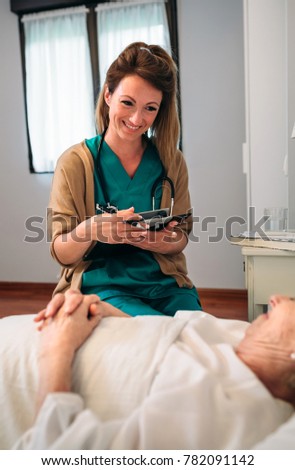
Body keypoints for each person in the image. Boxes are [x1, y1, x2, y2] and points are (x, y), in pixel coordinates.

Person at [13, 290, 295, 450]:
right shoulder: (238, 332)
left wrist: (57, 347)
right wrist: (108, 313)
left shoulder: (226, 416)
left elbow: (54, 453)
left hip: (40, 352)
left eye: (293, 303)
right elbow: (172, 328)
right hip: (82, 316)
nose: (276, 298)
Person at [48, 41, 202, 317]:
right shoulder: (74, 163)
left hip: (165, 285)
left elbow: (182, 235)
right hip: (103, 286)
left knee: (196, 327)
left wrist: (161, 242)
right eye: (127, 103)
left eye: (150, 108)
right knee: (157, 330)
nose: (136, 118)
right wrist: (91, 230)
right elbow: (62, 252)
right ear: (108, 95)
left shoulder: (171, 160)